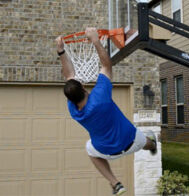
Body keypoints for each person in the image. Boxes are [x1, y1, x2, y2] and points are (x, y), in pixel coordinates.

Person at [55, 27, 157, 195]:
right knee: (146, 142)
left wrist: (61, 52)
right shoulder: (100, 96)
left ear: (71, 99)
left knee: (89, 148)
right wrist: (95, 40)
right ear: (83, 88)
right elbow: (106, 65)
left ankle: (115, 183)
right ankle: (152, 144)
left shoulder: (74, 110)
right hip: (131, 140)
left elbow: (69, 76)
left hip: (106, 151)